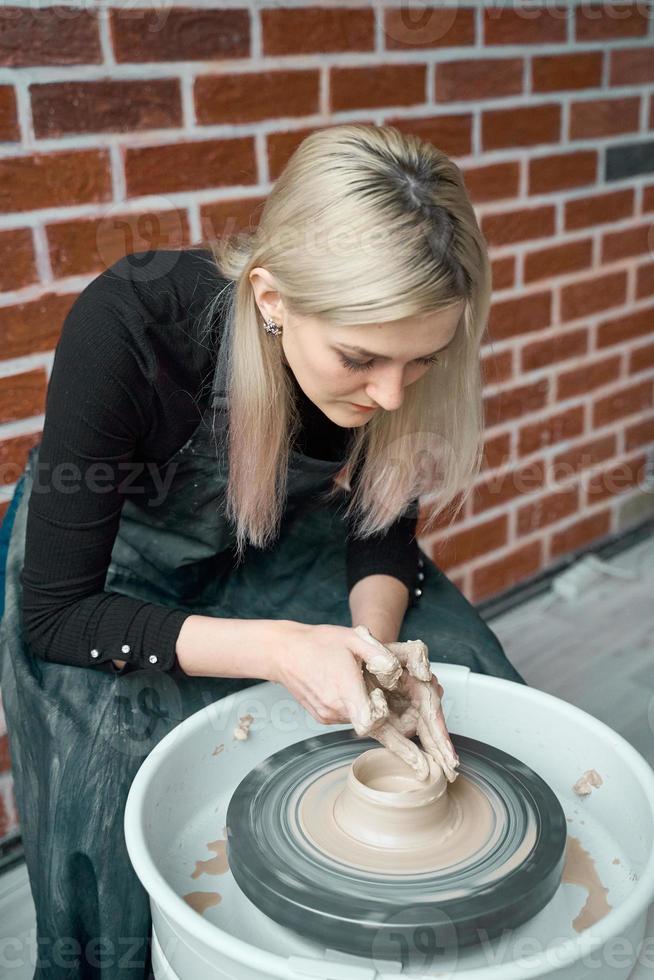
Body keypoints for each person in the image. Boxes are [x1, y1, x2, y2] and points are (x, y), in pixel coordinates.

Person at [0, 123, 526, 979]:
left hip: (279, 538)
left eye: (422, 362)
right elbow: (58, 615)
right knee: (115, 760)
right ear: (272, 297)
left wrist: (375, 651)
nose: (392, 392)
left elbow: (382, 527)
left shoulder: (391, 368)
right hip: (112, 565)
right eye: (360, 359)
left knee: (464, 673)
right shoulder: (132, 324)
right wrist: (283, 650)